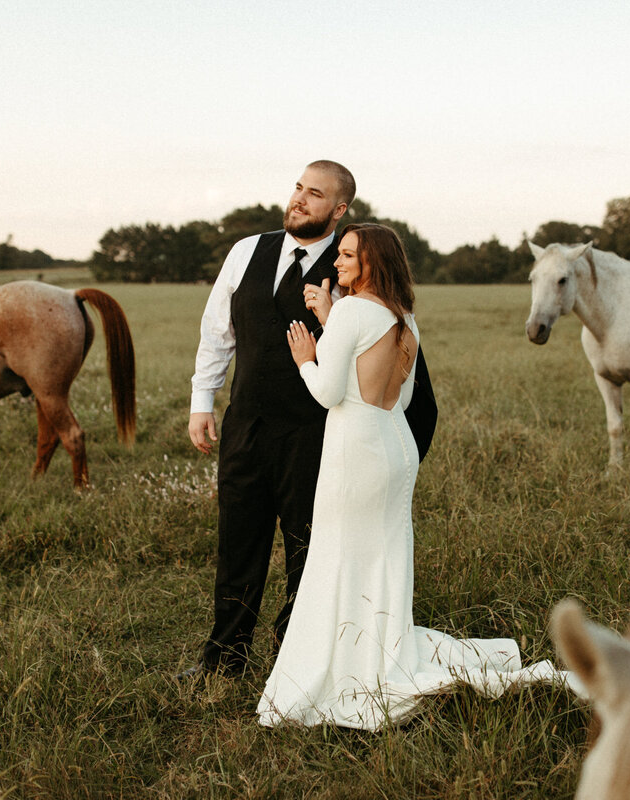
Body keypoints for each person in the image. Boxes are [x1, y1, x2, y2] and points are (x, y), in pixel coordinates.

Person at [257, 223, 573, 729]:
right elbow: (399, 399)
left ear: (370, 263)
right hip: (395, 445)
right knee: (382, 554)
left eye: (346, 255)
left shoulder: (354, 311)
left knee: (339, 555)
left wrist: (306, 359)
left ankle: (346, 664)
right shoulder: (404, 318)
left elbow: (328, 394)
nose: (336, 263)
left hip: (355, 450)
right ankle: (379, 645)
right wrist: (332, 317)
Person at [181, 161, 435, 679]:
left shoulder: (357, 273)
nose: (299, 199)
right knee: (238, 541)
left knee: (310, 549)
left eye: (314, 194)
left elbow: (403, 377)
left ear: (339, 210)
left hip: (319, 437)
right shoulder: (246, 250)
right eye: (298, 187)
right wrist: (201, 399)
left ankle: (296, 658)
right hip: (247, 424)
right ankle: (224, 658)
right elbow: (217, 330)